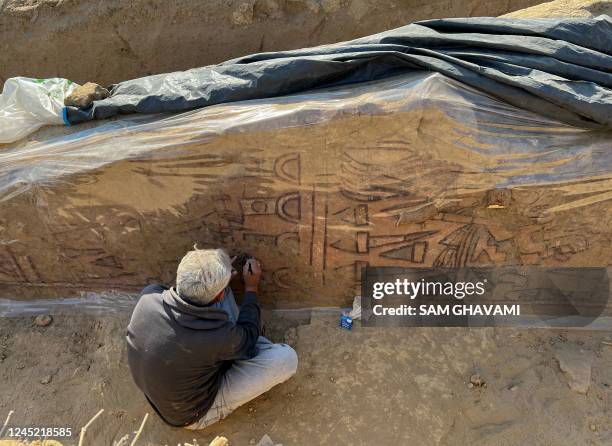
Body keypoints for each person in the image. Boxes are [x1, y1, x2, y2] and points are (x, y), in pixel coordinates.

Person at [126, 247, 298, 429]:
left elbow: (208, 307)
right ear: (219, 295)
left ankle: (221, 301)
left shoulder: (149, 296)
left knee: (221, 309)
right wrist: (251, 287)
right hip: (191, 414)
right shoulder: (216, 337)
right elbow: (247, 339)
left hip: (165, 389)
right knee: (285, 359)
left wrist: (216, 274)